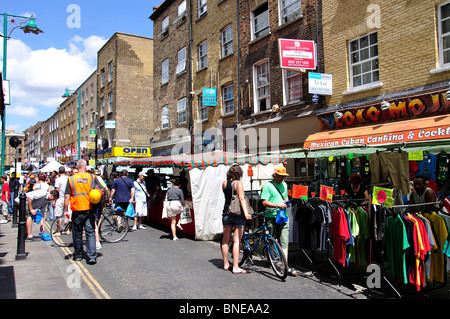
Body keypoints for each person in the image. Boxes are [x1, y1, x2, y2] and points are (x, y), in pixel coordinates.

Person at [64, 159, 108, 265]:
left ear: (77, 167)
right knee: (90, 233)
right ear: (85, 167)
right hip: (89, 209)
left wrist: (65, 210)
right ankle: (92, 256)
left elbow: (66, 196)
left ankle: (78, 255)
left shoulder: (71, 179)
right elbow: (101, 190)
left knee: (77, 233)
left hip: (77, 210)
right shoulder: (92, 177)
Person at [260, 164, 297, 276]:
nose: (282, 178)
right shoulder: (267, 186)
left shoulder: (285, 185)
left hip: (283, 216)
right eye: (280, 176)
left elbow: (285, 198)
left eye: (284, 176)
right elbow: (264, 202)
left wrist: (287, 203)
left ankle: (285, 266)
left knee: (284, 242)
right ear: (275, 175)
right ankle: (269, 259)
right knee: (270, 239)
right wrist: (277, 205)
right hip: (271, 216)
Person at [221, 164, 252, 274]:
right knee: (236, 240)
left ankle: (225, 263)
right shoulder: (238, 183)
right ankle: (235, 266)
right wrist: (246, 213)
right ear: (239, 174)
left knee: (225, 239)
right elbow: (241, 198)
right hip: (237, 214)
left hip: (226, 213)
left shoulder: (224, 184)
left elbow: (227, 197)